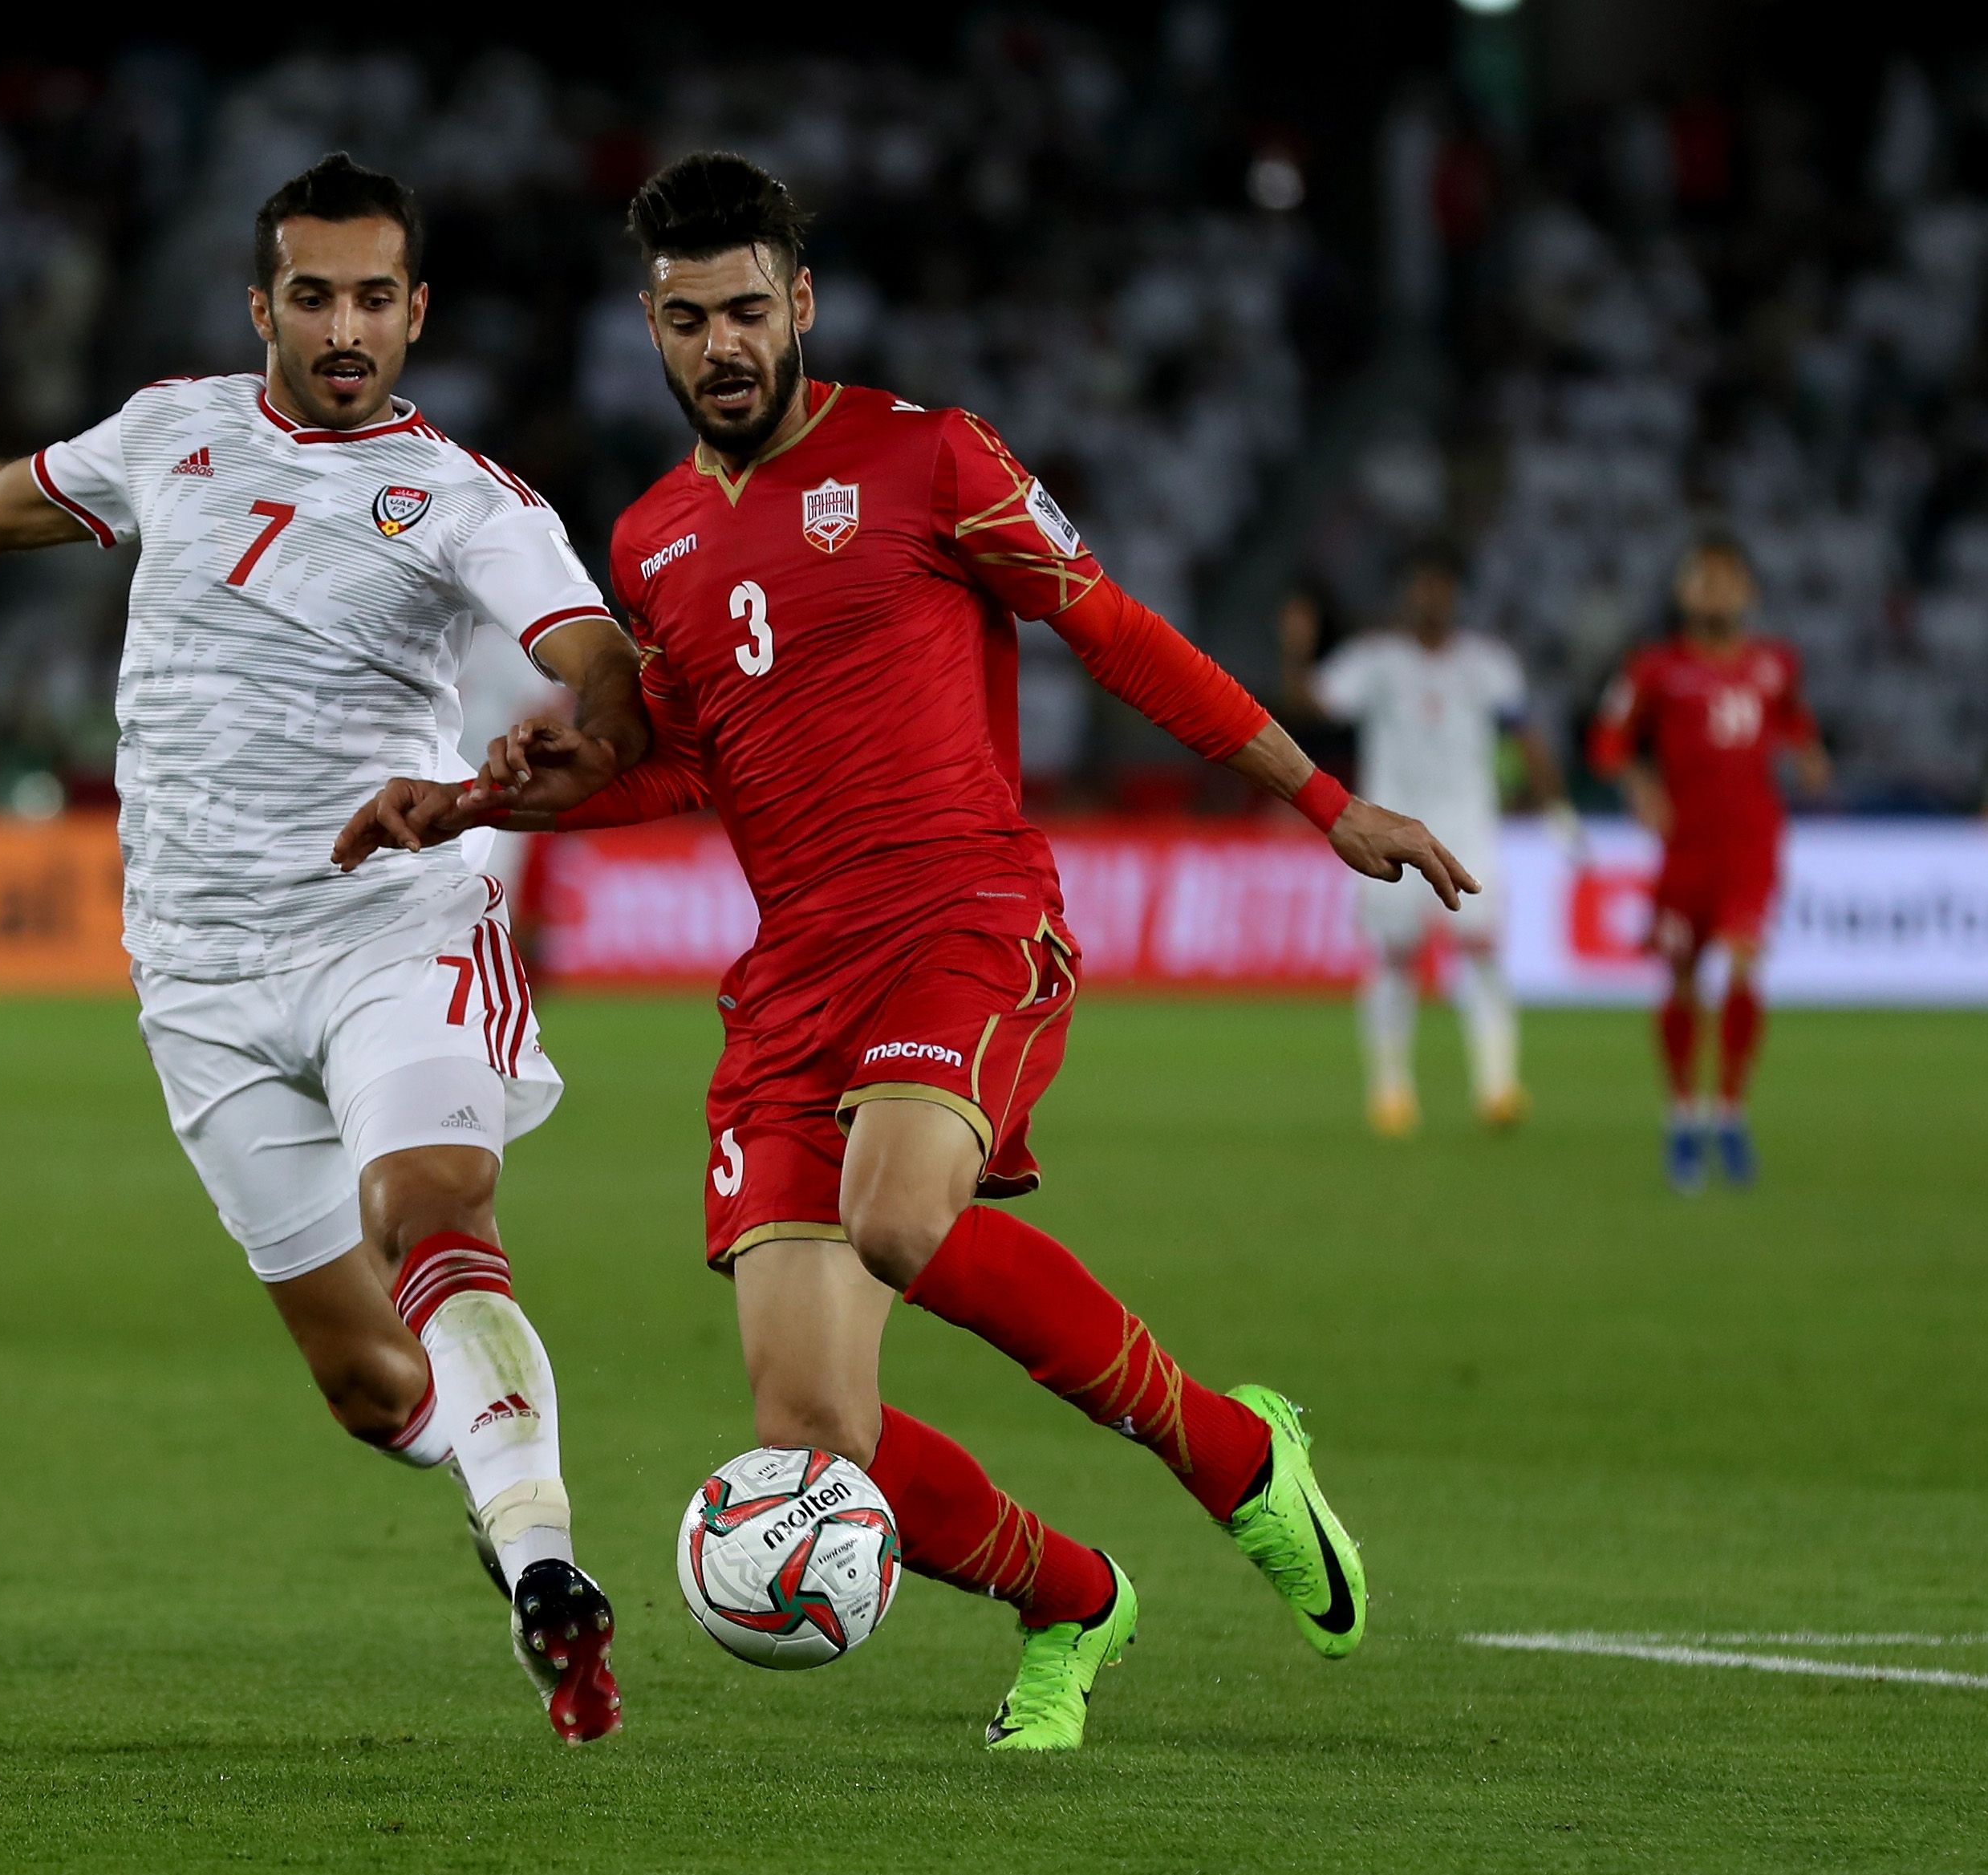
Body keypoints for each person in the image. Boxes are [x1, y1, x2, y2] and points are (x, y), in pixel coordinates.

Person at [338, 154, 1474, 1751]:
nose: (720, 346)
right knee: (812, 1432)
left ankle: (1230, 1457)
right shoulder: (651, 538)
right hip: (790, 983)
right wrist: (475, 798)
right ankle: (1074, 1600)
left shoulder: (928, 458)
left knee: (892, 1215)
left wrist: (1320, 797)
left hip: (959, 920)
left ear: (797, 303)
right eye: (685, 320)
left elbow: (1108, 625)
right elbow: (679, 764)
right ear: (648, 329)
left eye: (744, 310)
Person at [0, 155, 639, 1742]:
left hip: (389, 925)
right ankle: (486, 1464)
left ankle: (547, 1569)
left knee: (428, 1207)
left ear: (418, 313)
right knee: (364, 1386)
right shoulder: (168, 432)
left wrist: (575, 743)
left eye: (374, 298)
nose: (345, 327)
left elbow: (592, 651)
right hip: (195, 973)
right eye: (313, 295)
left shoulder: (467, 501)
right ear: (260, 303)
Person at [1588, 536, 1830, 1191]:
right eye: (1705, 579)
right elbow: (1607, 740)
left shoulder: (1776, 664)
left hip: (1753, 843)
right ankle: (1682, 1114)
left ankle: (1729, 1109)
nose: (1717, 591)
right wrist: (1639, 786)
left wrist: (1808, 755)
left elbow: (1794, 721)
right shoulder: (1653, 669)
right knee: (1684, 981)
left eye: (1729, 580)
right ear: (1683, 592)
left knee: (1744, 961)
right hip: (1686, 849)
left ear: (1749, 592)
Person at [1299, 543, 1563, 1137]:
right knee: (1395, 959)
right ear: (1406, 593)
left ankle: (1498, 1087)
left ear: (1456, 594)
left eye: (1440, 586)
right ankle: (1391, 1091)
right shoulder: (1376, 660)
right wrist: (1296, 649)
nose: (1430, 598)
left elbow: (1524, 734)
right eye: (1421, 586)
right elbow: (1311, 704)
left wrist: (1551, 798)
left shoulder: (1488, 663)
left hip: (1467, 825)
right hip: (1391, 826)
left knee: (1483, 952)